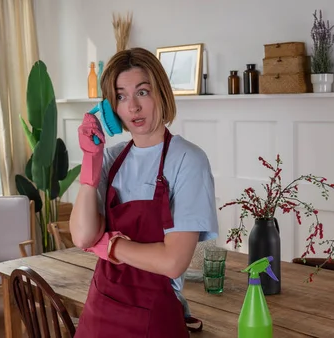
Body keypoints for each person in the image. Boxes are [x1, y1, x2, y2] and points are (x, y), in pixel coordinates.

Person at [70, 47, 219, 337]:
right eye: (121, 96)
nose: (132, 108)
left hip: (155, 316)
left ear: (161, 92)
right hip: (100, 309)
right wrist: (91, 161)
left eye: (142, 92)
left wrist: (110, 246)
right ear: (111, 108)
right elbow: (83, 236)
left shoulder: (188, 160)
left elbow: (172, 262)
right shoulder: (110, 160)